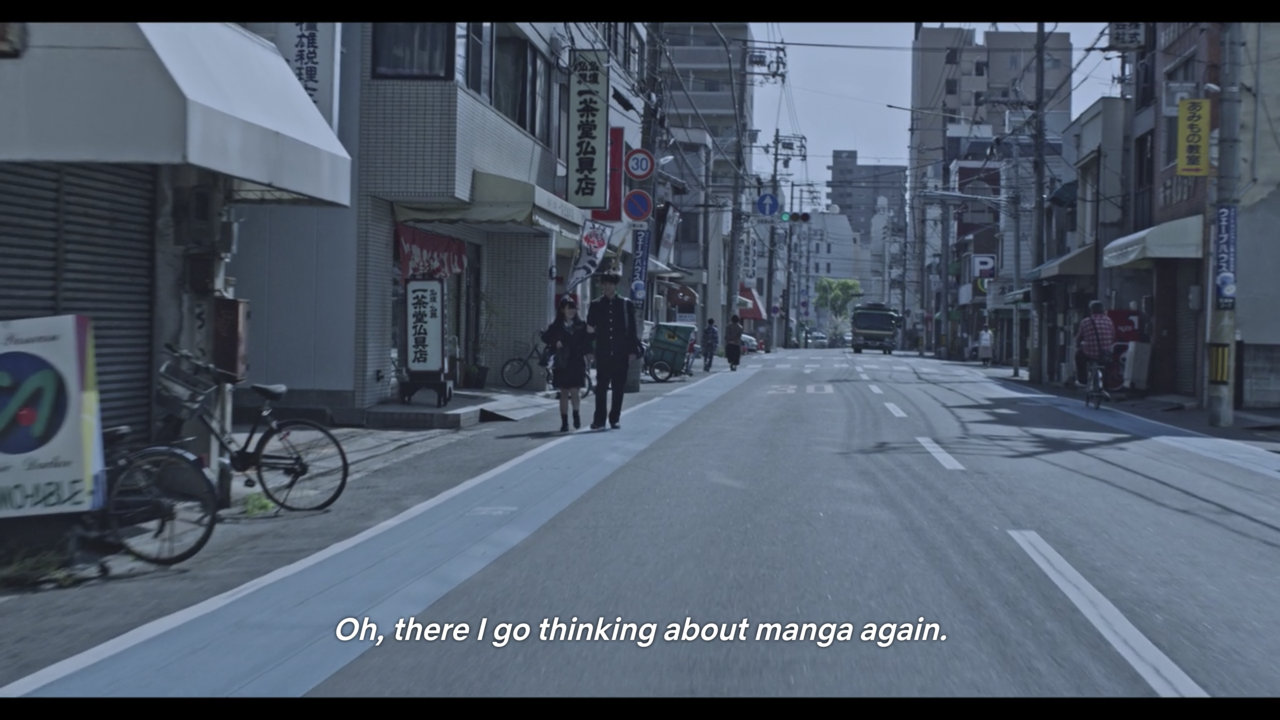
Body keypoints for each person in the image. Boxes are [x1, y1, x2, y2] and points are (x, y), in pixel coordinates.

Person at [585, 271, 643, 430]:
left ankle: (614, 418)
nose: (607, 287)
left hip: (621, 352)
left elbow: (631, 329)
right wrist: (588, 350)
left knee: (618, 387)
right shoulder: (596, 305)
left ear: (615, 285)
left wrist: (632, 351)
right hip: (602, 351)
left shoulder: (625, 304)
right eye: (604, 284)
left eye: (610, 284)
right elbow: (589, 330)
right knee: (601, 387)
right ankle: (599, 420)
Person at [542, 296, 592, 432]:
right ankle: (564, 422)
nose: (571, 311)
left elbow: (586, 341)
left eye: (573, 308)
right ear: (562, 310)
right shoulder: (556, 326)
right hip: (562, 362)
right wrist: (555, 342)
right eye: (568, 308)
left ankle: (576, 414)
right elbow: (545, 337)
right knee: (564, 392)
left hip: (577, 361)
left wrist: (589, 354)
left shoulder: (581, 325)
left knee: (575, 391)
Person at [1071, 300, 1117, 388]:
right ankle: (1106, 382)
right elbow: (1113, 335)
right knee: (1106, 364)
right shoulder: (1108, 320)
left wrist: (1077, 344)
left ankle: (1082, 380)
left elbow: (1079, 337)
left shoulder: (1085, 321)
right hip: (1105, 352)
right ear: (1103, 310)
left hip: (1090, 353)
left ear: (1091, 310)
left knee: (1078, 356)